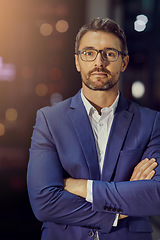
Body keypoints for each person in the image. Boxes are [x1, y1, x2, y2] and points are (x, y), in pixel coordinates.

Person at [27, 17, 160, 240]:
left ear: (124, 62)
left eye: (109, 53)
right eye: (89, 53)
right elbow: (44, 203)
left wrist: (83, 187)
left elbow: (155, 195)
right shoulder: (49, 120)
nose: (99, 62)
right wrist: (121, 208)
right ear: (78, 62)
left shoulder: (151, 122)